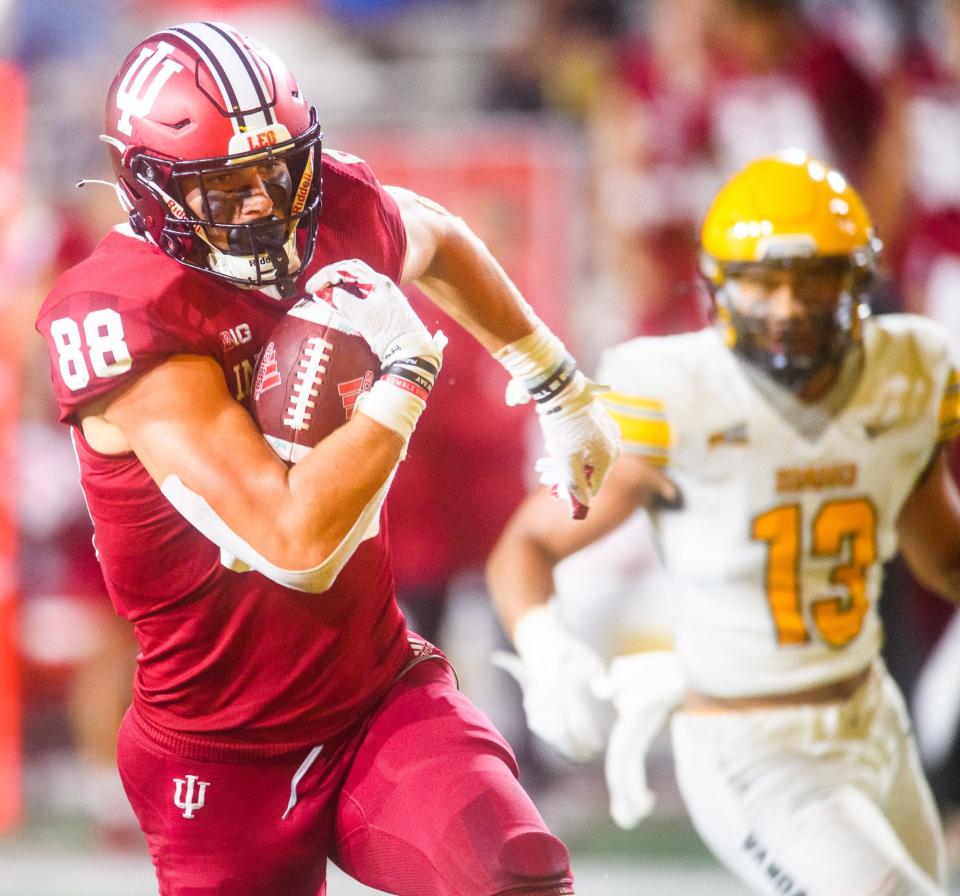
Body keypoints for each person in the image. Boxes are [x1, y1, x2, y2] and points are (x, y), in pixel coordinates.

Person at [35, 21, 619, 896]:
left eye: (276, 172)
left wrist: (556, 382)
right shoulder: (126, 313)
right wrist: (407, 375)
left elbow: (438, 236)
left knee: (517, 875)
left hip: (373, 696)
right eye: (226, 188)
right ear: (151, 190)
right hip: (218, 751)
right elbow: (295, 543)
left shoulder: (333, 209)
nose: (266, 205)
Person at [487, 150, 960, 895]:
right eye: (763, 282)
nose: (786, 306)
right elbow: (529, 543)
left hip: (874, 718)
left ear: (858, 283)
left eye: (812, 281)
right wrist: (547, 653)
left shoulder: (911, 369)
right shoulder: (674, 392)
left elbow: (944, 556)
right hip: (751, 743)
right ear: (717, 287)